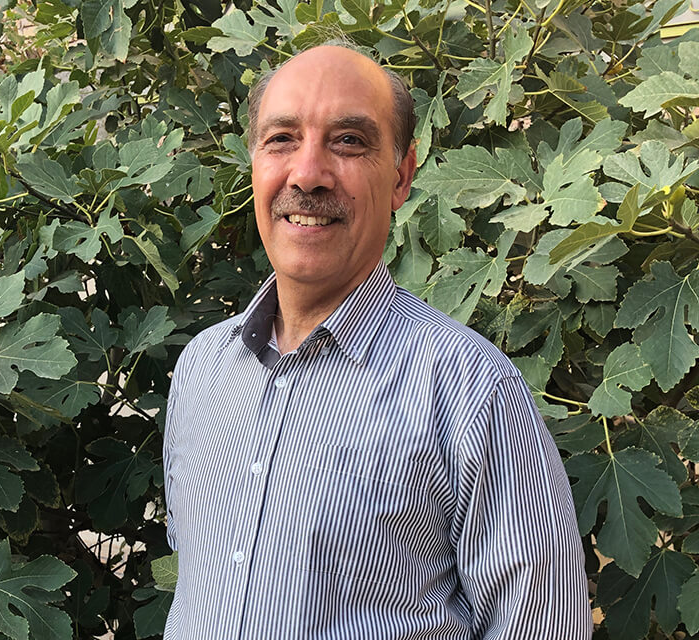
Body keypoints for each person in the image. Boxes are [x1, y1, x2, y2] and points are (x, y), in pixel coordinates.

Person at [162, 44, 592, 639]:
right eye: (281, 138)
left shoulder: (471, 393)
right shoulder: (202, 371)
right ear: (255, 163)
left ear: (401, 175)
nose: (307, 173)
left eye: (348, 142)